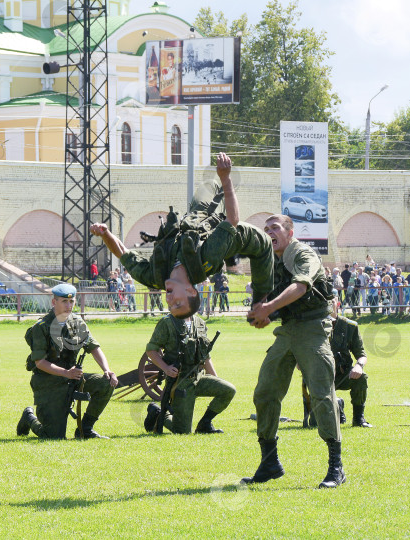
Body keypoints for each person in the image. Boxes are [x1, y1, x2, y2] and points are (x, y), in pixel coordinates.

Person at [90, 153, 274, 319]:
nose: (169, 301)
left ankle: (218, 188)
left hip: (196, 220)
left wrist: (105, 233)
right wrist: (226, 178)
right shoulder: (206, 258)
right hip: (237, 238)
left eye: (170, 307)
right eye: (178, 303)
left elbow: (122, 253)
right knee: (265, 245)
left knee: (208, 186)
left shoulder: (154, 276)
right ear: (191, 291)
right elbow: (233, 220)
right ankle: (261, 301)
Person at [242, 214, 344, 489]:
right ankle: (269, 462)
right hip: (288, 329)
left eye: (274, 227)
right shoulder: (271, 261)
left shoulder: (302, 253)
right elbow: (271, 297)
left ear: (290, 232)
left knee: (322, 395)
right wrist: (261, 314)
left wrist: (269, 308)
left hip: (312, 327)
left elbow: (300, 286)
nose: (269, 232)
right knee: (265, 392)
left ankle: (336, 468)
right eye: (266, 229)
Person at [17, 284, 118, 439]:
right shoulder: (42, 327)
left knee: (106, 383)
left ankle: (85, 429)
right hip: (48, 384)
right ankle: (29, 417)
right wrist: (66, 373)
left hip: (72, 379)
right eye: (64, 301)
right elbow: (39, 362)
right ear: (53, 302)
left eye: (71, 302)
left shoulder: (77, 323)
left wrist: (107, 370)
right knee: (53, 436)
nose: (69, 306)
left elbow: (94, 347)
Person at [142, 313, 235, 434]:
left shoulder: (200, 323)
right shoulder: (167, 322)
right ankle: (159, 414)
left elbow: (205, 355)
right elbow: (151, 350)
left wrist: (214, 378)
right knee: (182, 432)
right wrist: (166, 368)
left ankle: (204, 424)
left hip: (199, 378)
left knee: (228, 390)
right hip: (181, 383)